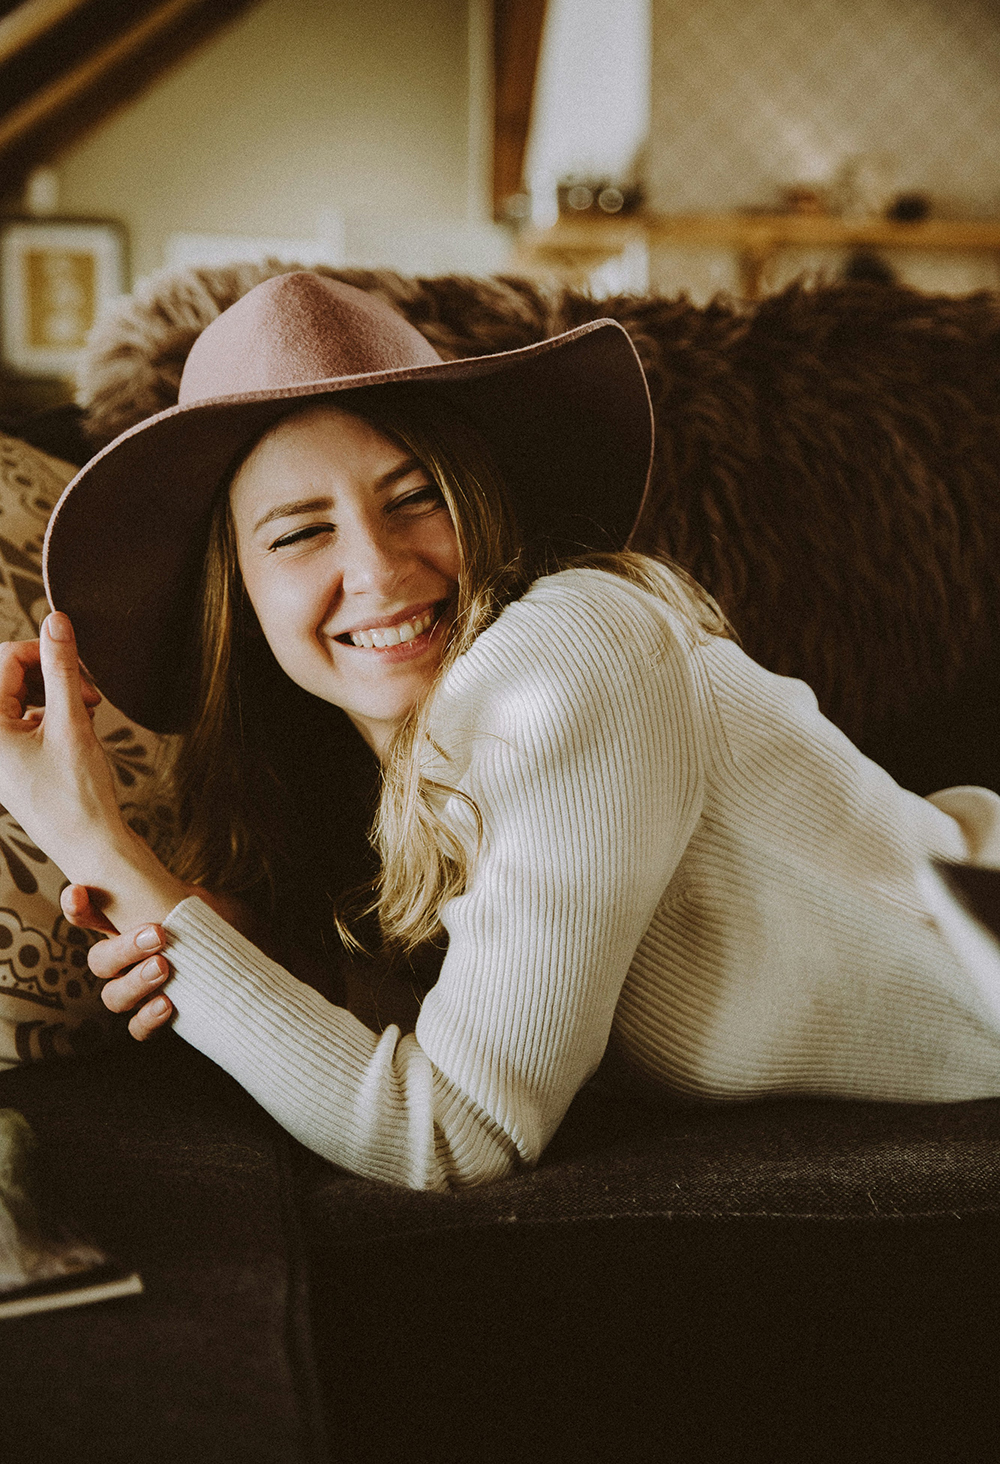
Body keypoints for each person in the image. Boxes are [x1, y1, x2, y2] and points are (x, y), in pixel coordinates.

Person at [0, 272, 999, 1192]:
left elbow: (452, 1132)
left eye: (416, 497)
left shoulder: (575, 654)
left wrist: (92, 841)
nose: (380, 570)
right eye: (301, 532)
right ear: (239, 596)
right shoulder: (384, 763)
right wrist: (250, 950)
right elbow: (474, 1022)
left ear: (479, 499)